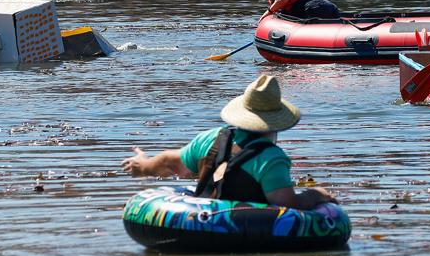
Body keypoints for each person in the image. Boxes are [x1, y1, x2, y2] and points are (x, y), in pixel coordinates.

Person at [121, 75, 336, 209]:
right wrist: (315, 195)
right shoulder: (271, 158)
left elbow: (170, 163)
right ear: (276, 123)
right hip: (248, 232)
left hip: (196, 224)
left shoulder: (210, 139)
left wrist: (142, 165)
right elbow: (286, 205)